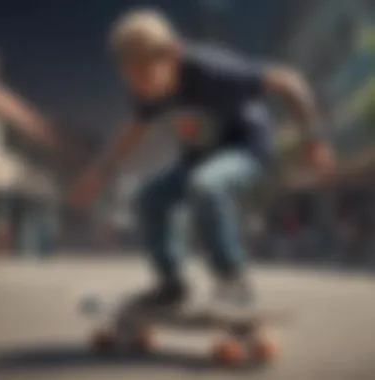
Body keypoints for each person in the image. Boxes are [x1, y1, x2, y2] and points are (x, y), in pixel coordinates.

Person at [70, 9, 335, 310]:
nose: (141, 88)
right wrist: (99, 172)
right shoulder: (146, 92)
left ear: (172, 54)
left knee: (207, 184)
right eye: (131, 78)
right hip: (199, 159)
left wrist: (314, 139)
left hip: (247, 151)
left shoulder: (211, 69)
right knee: (148, 198)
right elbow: (135, 131)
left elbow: (289, 81)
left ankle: (233, 283)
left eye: (145, 75)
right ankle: (171, 287)